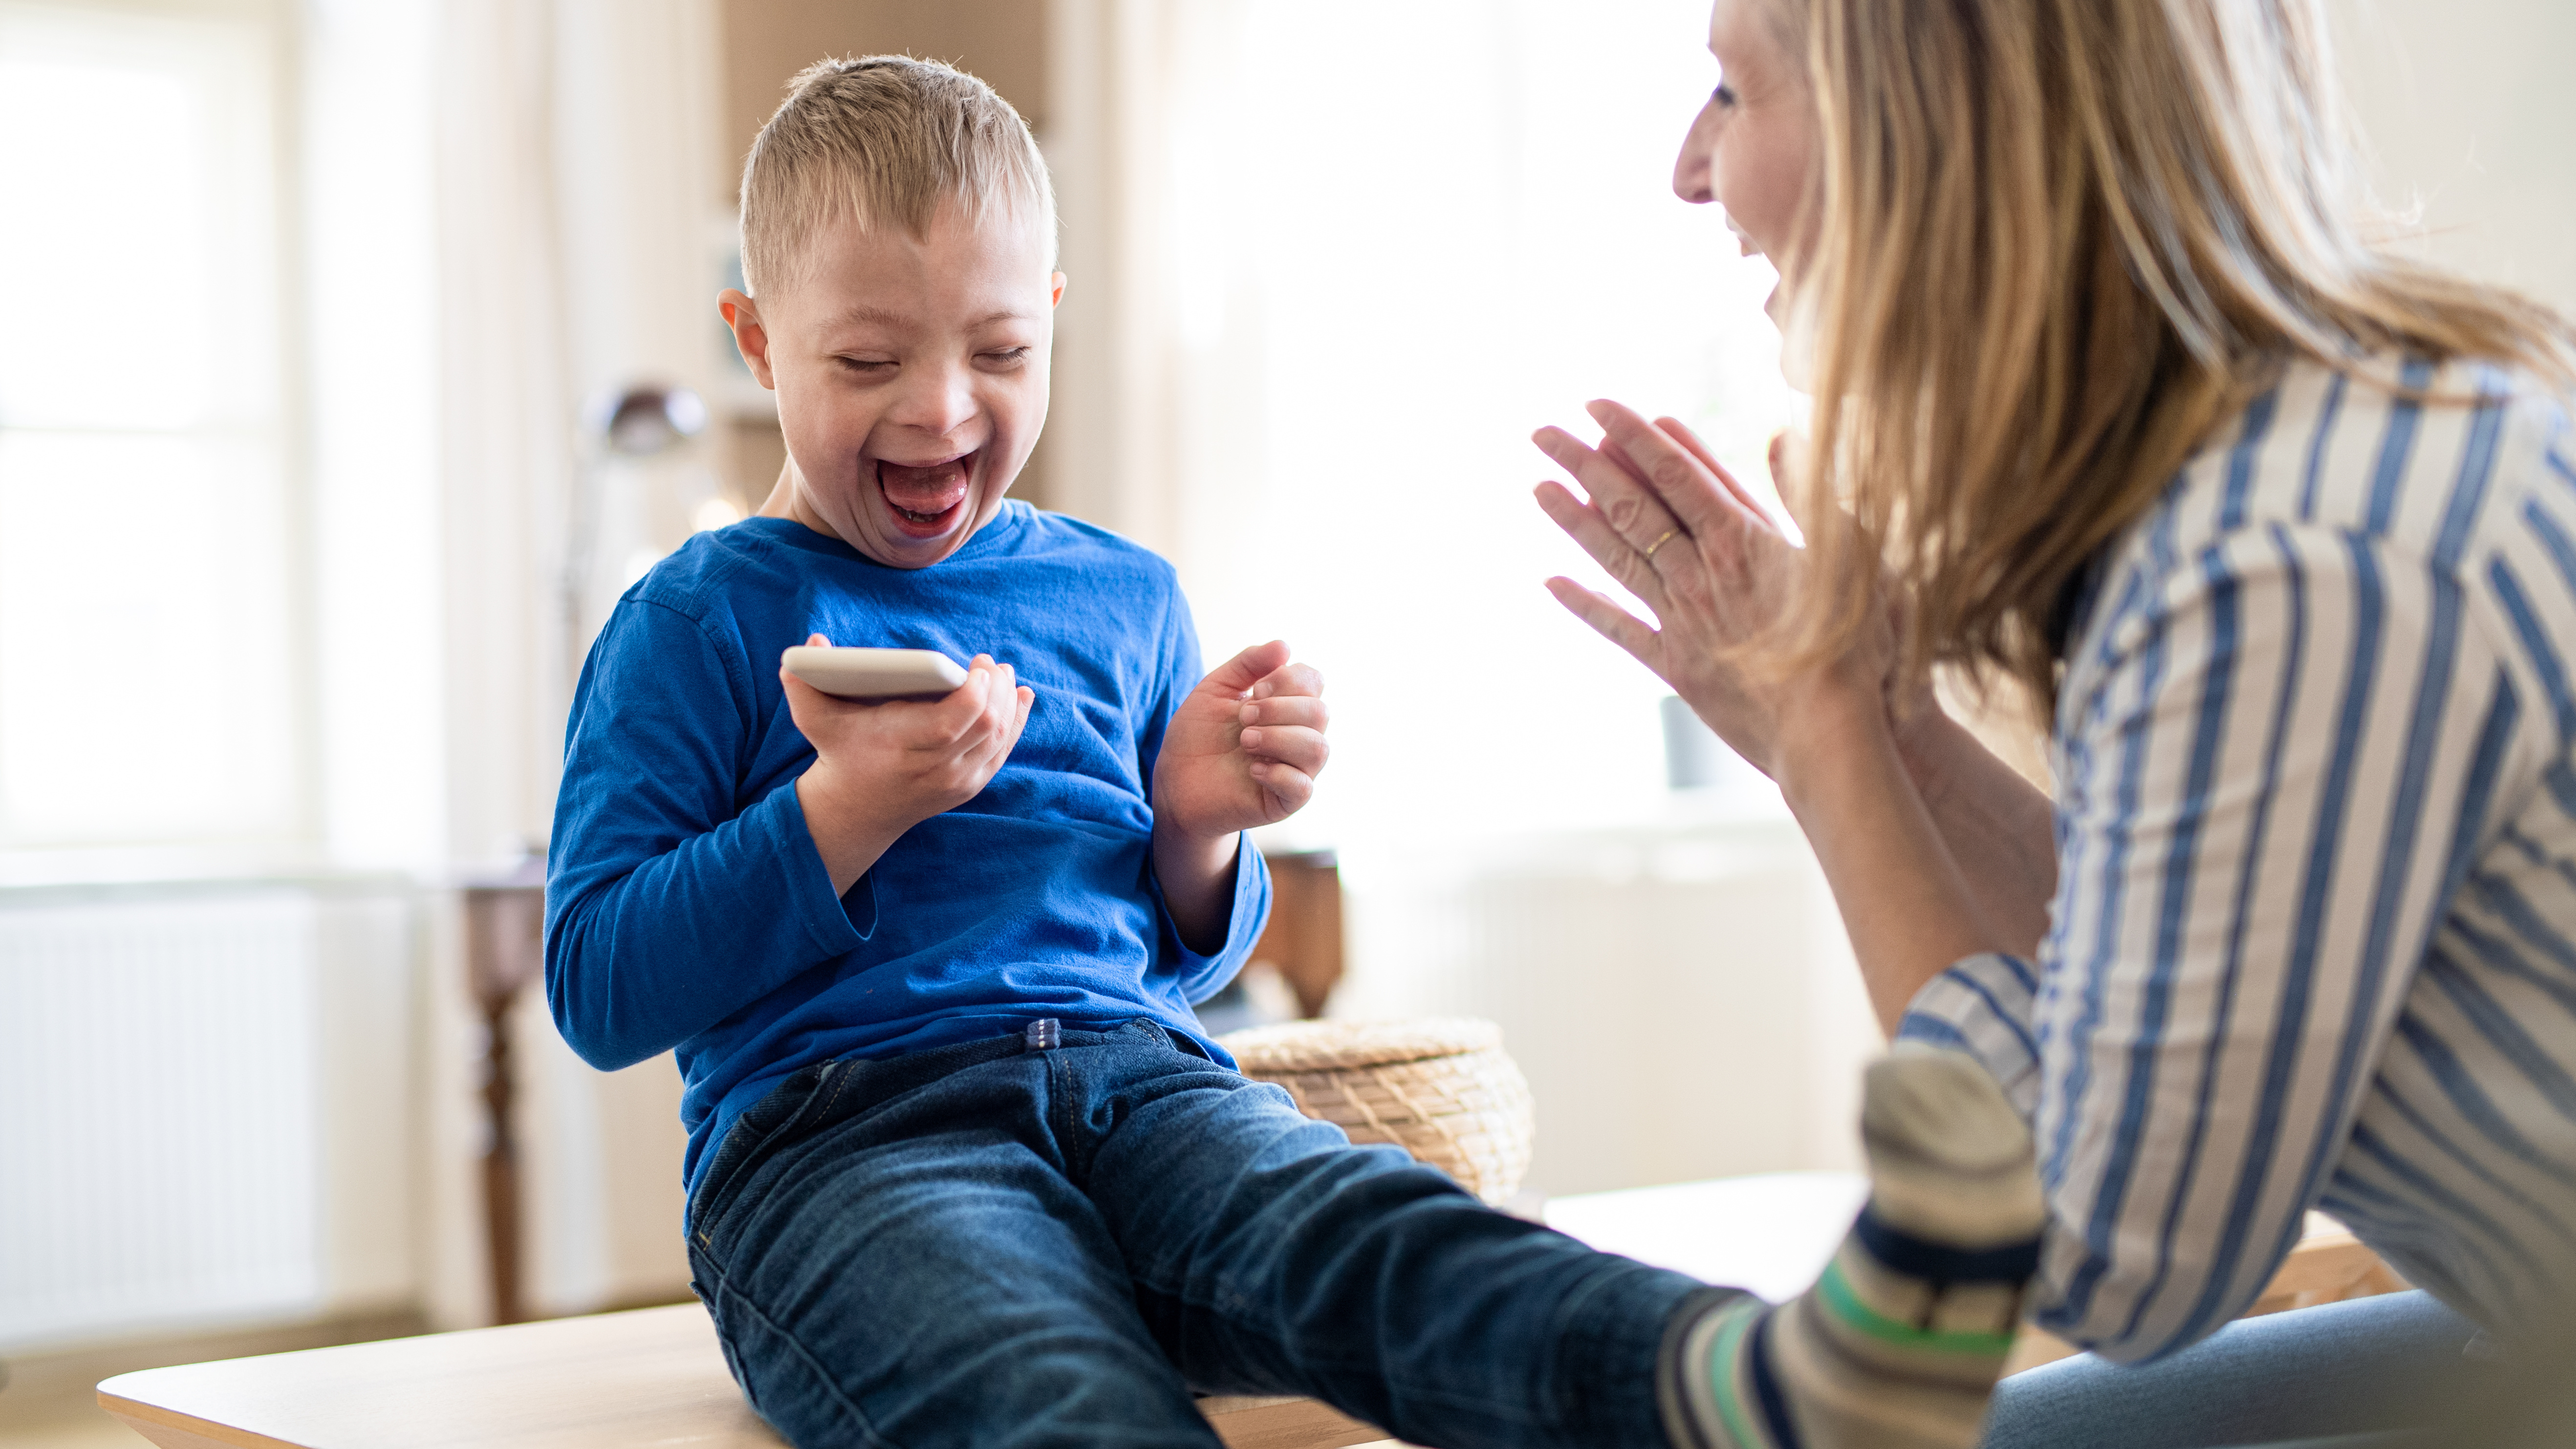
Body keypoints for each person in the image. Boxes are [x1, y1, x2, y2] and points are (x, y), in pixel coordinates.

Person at [547, 52, 2052, 1449]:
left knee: (1381, 1235)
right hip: (846, 1146)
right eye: (868, 360)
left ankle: (1760, 1381)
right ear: (755, 340)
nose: (941, 409)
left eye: (999, 349)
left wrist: (1198, 830)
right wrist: (841, 814)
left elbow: (1181, 958)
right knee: (1042, 1385)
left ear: (1054, 316)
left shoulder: (1121, 595)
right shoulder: (696, 620)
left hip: (1148, 1090)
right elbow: (603, 985)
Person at [1533, 0, 2576, 1445]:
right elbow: (2149, 1010)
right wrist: (1881, 729)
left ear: (1920, 126)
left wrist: (1832, 728)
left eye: (1729, 90)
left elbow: (2112, 1253)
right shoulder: (2258, 477)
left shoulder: (2284, 557)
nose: (1689, 170)